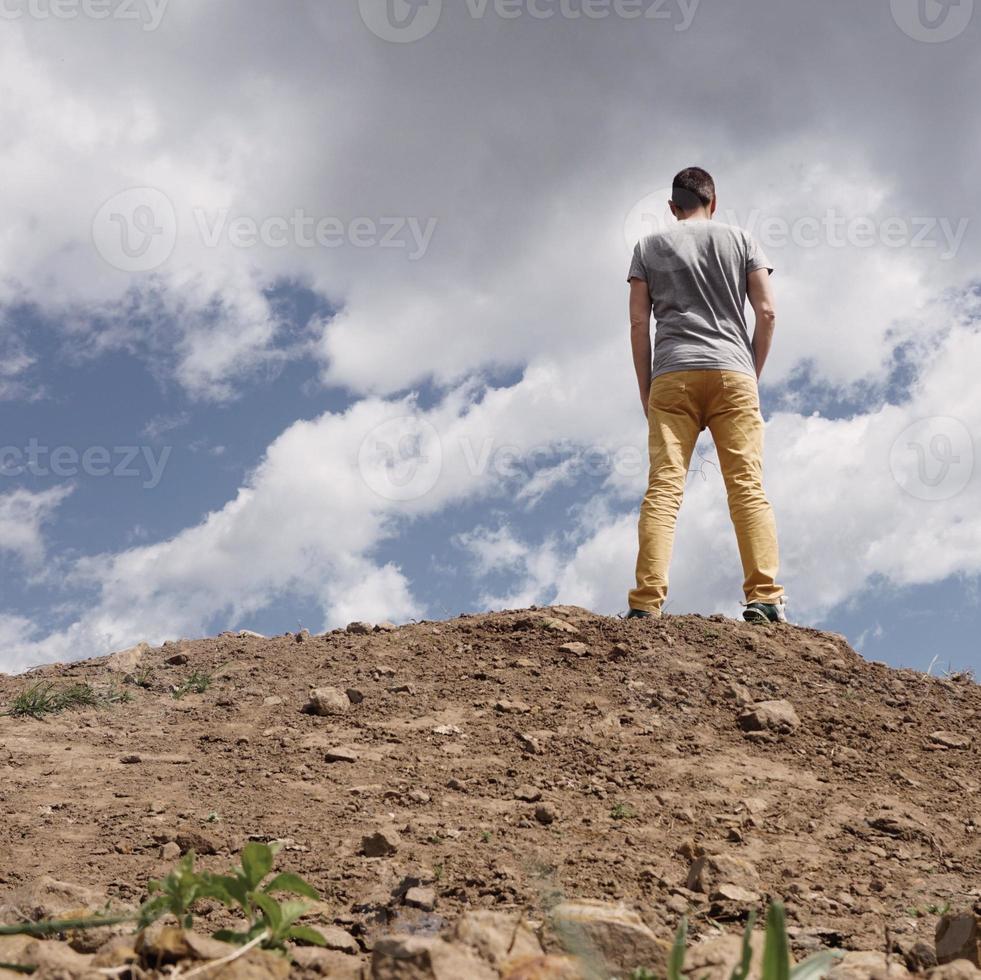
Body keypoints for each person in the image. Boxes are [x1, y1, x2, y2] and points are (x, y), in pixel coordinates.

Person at [626, 167, 788, 624]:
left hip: (672, 375)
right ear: (712, 202)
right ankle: (765, 598)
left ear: (673, 208)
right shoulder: (741, 240)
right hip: (733, 373)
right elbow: (768, 311)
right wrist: (750, 373)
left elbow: (639, 324)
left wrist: (647, 386)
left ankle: (645, 603)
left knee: (664, 488)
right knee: (747, 487)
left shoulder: (648, 247)